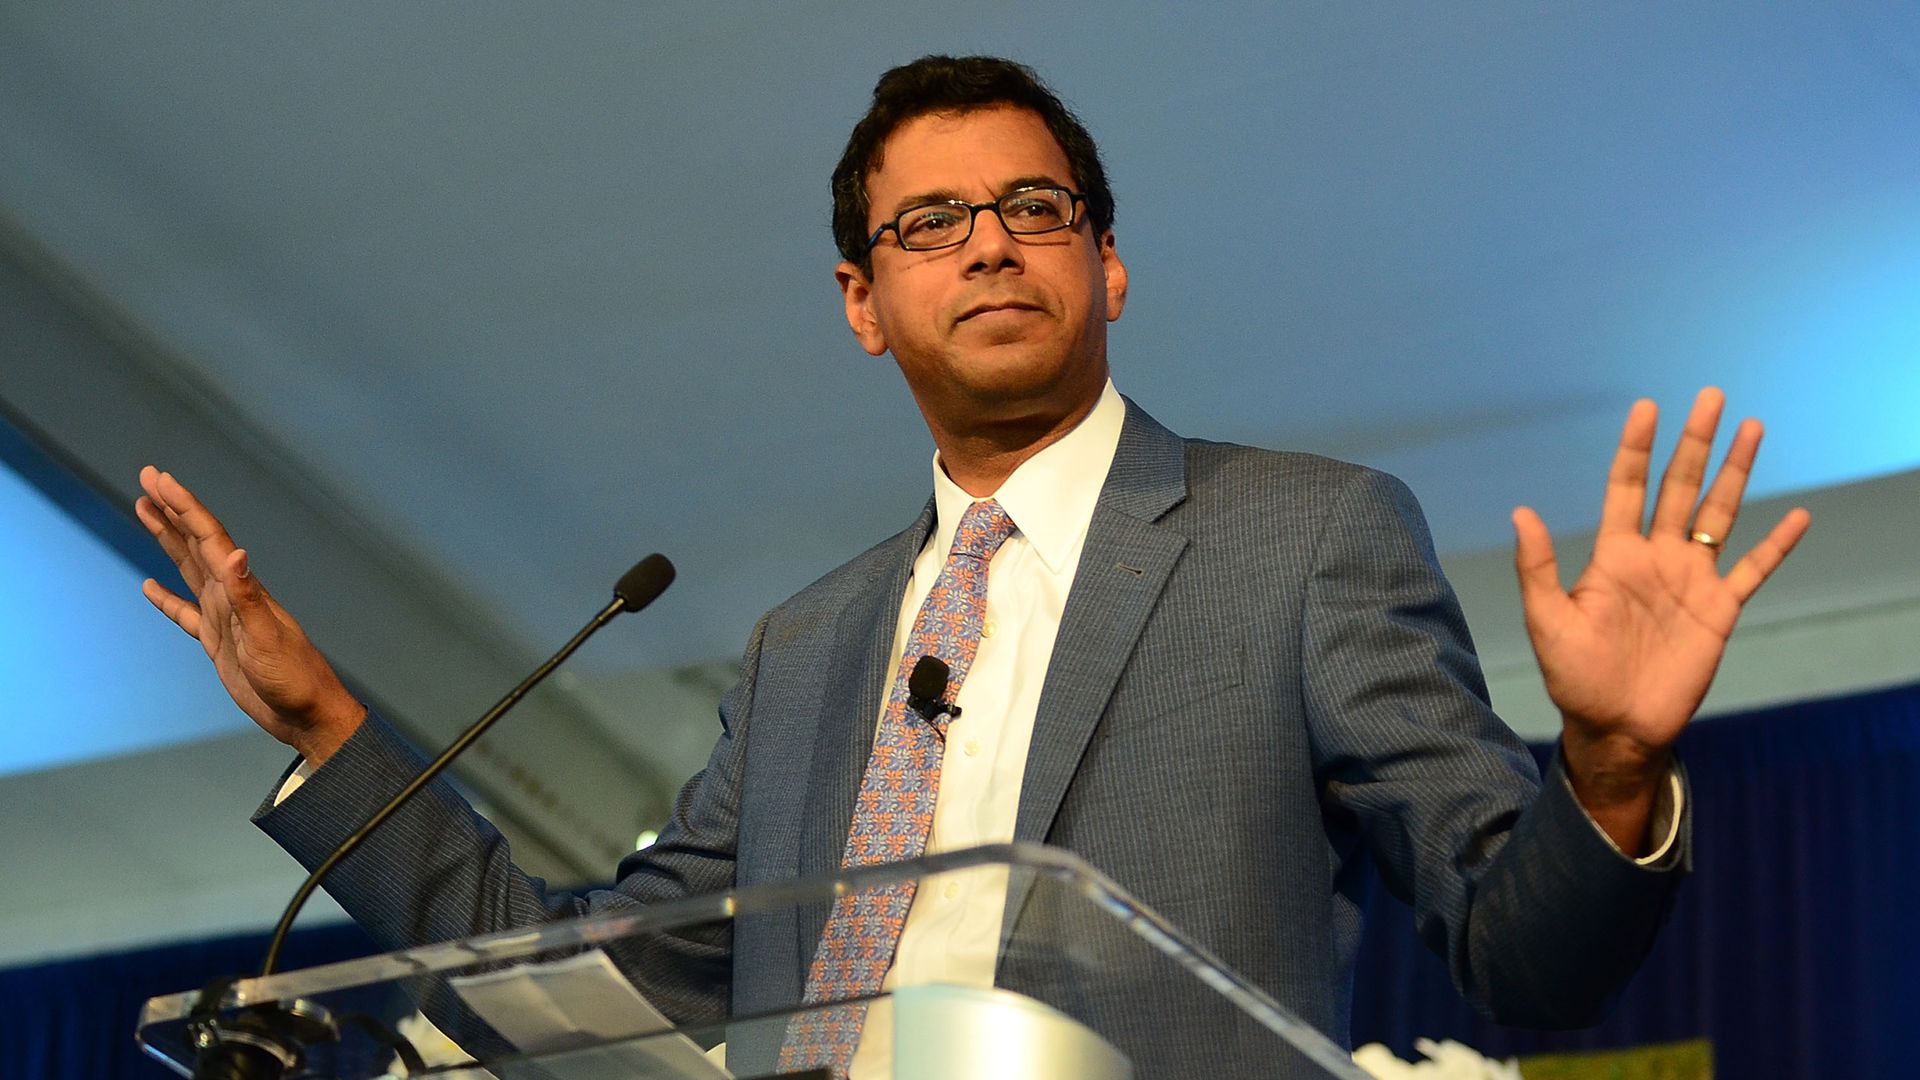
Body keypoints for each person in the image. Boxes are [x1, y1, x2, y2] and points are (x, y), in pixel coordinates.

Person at [135, 56, 1808, 1078]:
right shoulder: (808, 648)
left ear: (1110, 266)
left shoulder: (1302, 536)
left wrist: (1606, 765)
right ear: (863, 305)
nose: (991, 241)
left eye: (1035, 204)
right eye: (928, 224)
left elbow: (1524, 957)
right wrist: (335, 734)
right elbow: (594, 988)